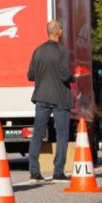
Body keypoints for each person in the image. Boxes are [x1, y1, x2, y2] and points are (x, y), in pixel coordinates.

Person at [27, 20, 73, 183]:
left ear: (48, 32)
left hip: (41, 97)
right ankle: (58, 172)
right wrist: (74, 76)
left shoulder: (38, 51)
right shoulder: (63, 51)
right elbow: (65, 75)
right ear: (59, 32)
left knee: (37, 134)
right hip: (60, 98)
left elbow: (30, 76)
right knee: (62, 134)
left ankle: (34, 173)